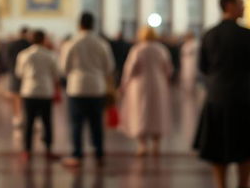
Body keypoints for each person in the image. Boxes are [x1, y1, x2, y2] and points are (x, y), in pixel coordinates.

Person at [194, 0, 250, 188]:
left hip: (216, 97)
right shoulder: (246, 35)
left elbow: (203, 67)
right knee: (245, 145)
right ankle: (244, 186)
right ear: (229, 6)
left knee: (217, 146)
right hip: (243, 97)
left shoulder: (209, 34)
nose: (244, 6)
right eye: (240, 3)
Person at [60, 12, 115, 168]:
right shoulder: (101, 43)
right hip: (97, 87)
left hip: (76, 87)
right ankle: (99, 152)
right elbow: (109, 67)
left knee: (76, 123)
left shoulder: (71, 43)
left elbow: (64, 67)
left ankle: (77, 153)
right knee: (96, 122)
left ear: (79, 24)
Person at [119, 26, 173, 156]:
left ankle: (142, 145)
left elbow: (130, 69)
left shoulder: (138, 49)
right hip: (158, 83)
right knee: (157, 113)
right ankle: (156, 144)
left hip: (139, 85)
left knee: (140, 113)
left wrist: (123, 84)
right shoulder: (161, 49)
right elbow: (168, 69)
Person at [15, 29, 60, 161]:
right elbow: (56, 74)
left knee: (29, 122)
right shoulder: (50, 55)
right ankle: (48, 149)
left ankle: (27, 151)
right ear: (43, 40)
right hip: (46, 91)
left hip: (29, 91)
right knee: (47, 122)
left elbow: (19, 73)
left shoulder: (24, 54)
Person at [6, 27, 31, 126]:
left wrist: (11, 68)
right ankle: (23, 116)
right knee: (25, 96)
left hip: (14, 72)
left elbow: (7, 58)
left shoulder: (13, 44)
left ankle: (17, 116)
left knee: (16, 95)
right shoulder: (29, 44)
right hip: (27, 74)